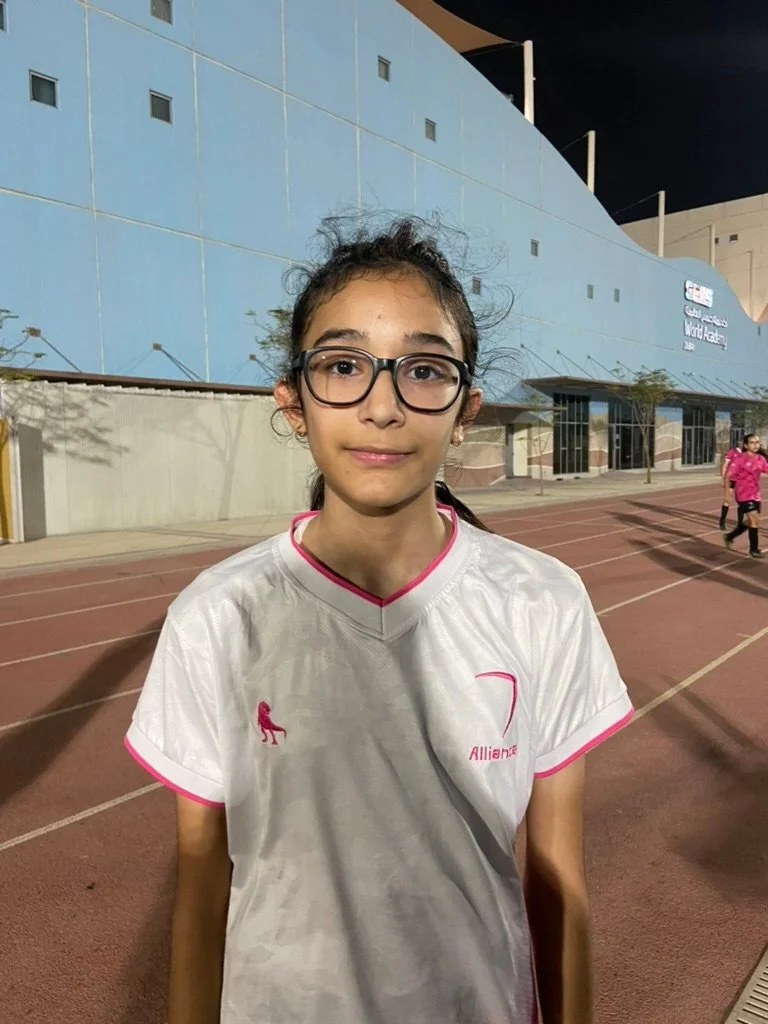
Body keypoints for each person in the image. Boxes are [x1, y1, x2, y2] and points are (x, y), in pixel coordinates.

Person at [124, 216, 633, 1024]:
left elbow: (558, 878)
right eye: (343, 365)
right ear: (292, 401)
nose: (383, 406)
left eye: (423, 370)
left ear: (466, 408)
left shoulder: (544, 601)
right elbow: (202, 883)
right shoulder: (219, 615)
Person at [724, 433, 768, 558]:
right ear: (746, 445)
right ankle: (754, 549)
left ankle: (730, 536)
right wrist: (728, 493)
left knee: (750, 521)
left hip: (755, 494)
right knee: (755, 520)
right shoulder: (740, 459)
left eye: (757, 442)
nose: (755, 445)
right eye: (752, 442)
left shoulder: (761, 459)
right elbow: (729, 475)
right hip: (743, 494)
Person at [718, 438, 745, 532]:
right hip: (730, 479)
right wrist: (722, 478)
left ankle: (740, 523)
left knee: (741, 502)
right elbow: (725, 465)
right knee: (727, 500)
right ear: (740, 442)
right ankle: (722, 521)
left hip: (741, 480)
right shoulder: (732, 452)